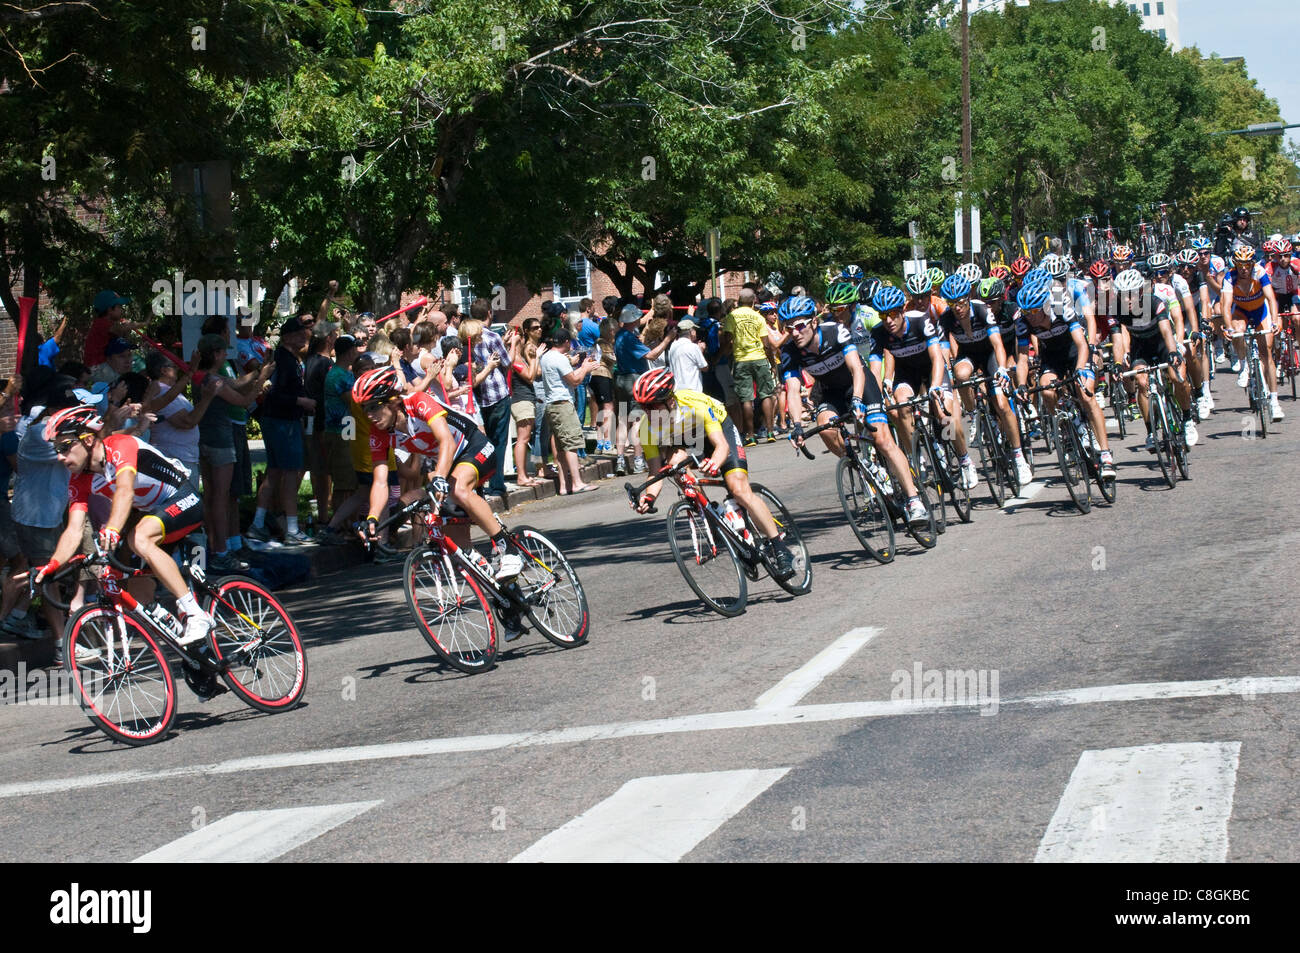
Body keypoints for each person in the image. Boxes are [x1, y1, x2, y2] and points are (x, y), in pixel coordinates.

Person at [35, 405, 218, 647]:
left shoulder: (119, 445)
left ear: (88, 439)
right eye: (56, 449)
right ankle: (182, 638)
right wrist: (53, 565)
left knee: (138, 537)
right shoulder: (79, 479)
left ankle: (196, 614)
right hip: (154, 514)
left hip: (184, 499)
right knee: (136, 589)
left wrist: (111, 528)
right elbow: (74, 529)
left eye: (64, 447)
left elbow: (125, 490)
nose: (59, 456)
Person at [351, 366, 522, 580]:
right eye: (364, 409)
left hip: (472, 447)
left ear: (393, 401)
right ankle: (499, 589)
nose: (369, 415)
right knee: (453, 540)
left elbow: (446, 441)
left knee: (458, 489)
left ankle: (508, 548)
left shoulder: (418, 402)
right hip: (447, 463)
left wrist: (440, 477)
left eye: (373, 407)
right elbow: (380, 482)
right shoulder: (379, 433)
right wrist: (372, 517)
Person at [628, 367, 795, 580]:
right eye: (644, 407)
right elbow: (654, 472)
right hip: (686, 440)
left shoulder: (693, 405)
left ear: (670, 401)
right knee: (674, 466)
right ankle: (710, 515)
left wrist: (715, 462)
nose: (648, 412)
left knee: (739, 490)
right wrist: (648, 497)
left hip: (718, 432)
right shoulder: (647, 428)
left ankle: (780, 547)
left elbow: (722, 447)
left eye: (652, 406)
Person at [780, 294, 930, 525]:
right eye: (789, 328)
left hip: (859, 385)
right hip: (830, 391)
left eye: (799, 326)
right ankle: (864, 464)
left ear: (813, 322)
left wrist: (858, 400)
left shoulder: (835, 332)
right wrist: (797, 425)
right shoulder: (790, 350)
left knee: (882, 440)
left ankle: (914, 500)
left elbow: (857, 369)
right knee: (825, 428)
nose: (795, 333)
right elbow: (792, 389)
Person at [248, 316, 315, 545]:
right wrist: (301, 402)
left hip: (279, 420)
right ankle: (293, 528)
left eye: (303, 333)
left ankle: (258, 524)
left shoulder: (290, 359)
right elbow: (274, 393)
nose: (303, 336)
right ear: (287, 337)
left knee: (275, 472)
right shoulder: (283, 360)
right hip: (282, 422)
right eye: (298, 334)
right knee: (289, 474)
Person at [538, 329, 601, 494]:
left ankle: (564, 485)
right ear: (566, 342)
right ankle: (577, 483)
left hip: (552, 405)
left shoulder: (546, 357)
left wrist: (576, 365)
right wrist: (586, 368)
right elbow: (575, 380)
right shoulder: (559, 359)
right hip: (563, 405)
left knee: (560, 447)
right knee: (571, 444)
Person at [723, 288, 779, 446]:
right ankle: (769, 431)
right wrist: (772, 364)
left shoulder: (731, 316)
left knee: (746, 399)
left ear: (739, 301)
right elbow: (766, 344)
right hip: (759, 358)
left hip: (741, 360)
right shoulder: (758, 317)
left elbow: (727, 339)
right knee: (766, 395)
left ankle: (750, 435)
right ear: (754, 300)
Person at [506, 319, 543, 487]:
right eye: (519, 336)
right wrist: (536, 358)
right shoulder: (514, 358)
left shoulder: (518, 356)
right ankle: (521, 475)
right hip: (521, 400)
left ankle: (524, 474)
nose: (521, 339)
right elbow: (530, 376)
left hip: (526, 398)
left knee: (525, 437)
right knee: (523, 438)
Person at [83, 290, 144, 367]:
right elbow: (122, 329)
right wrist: (144, 323)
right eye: (119, 307)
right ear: (110, 310)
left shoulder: (111, 324)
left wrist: (127, 330)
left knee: (138, 365)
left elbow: (124, 343)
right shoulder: (102, 323)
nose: (122, 310)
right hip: (97, 367)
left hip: (105, 364)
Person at [667, 318, 708, 393]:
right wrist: (701, 351)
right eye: (695, 330)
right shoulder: (694, 347)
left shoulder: (673, 345)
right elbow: (704, 367)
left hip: (677, 390)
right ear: (691, 332)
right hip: (692, 390)